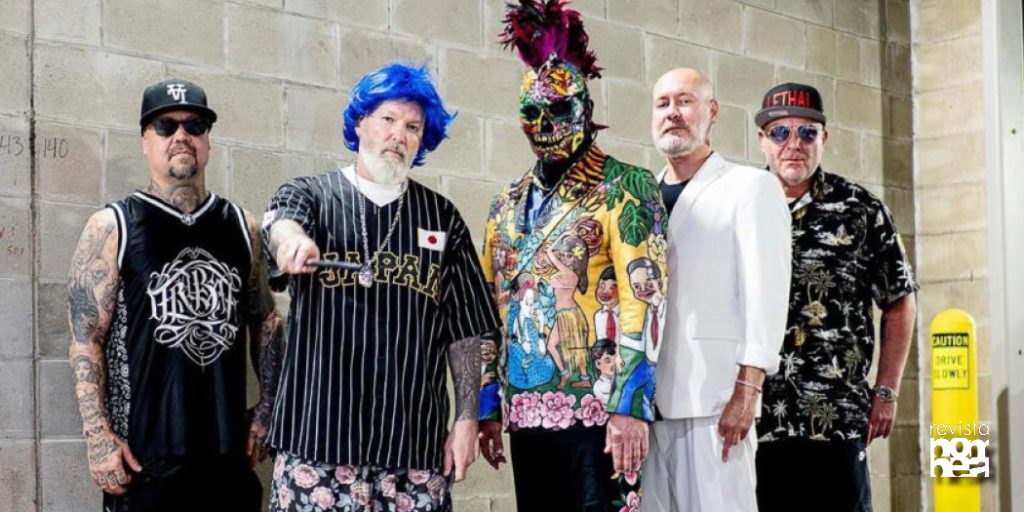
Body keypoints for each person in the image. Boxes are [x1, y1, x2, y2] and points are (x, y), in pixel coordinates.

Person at [260, 63, 500, 511]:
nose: (398, 135)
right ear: (359, 122)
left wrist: (467, 418)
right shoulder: (311, 195)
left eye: (413, 127)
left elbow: (467, 330)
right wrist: (291, 241)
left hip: (412, 449)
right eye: (388, 119)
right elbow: (282, 223)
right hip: (317, 443)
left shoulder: (443, 219)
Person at [477, 2, 668, 510]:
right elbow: (487, 306)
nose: (544, 124)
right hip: (526, 411)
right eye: (531, 112)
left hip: (601, 413)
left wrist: (630, 405)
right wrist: (487, 404)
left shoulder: (626, 185)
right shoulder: (505, 201)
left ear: (585, 108)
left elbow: (645, 299)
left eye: (559, 110)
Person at [67, 79, 278, 512]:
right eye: (166, 126)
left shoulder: (243, 227)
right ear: (145, 140)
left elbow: (266, 322)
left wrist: (268, 407)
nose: (182, 136)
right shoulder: (113, 226)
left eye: (195, 126)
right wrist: (97, 436)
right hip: (144, 461)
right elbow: (86, 339)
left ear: (208, 141)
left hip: (227, 457)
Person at [752, 83, 918, 512]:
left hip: (837, 418)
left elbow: (900, 299)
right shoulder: (739, 206)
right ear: (762, 140)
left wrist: (887, 391)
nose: (794, 144)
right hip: (755, 421)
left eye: (807, 133)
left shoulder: (860, 209)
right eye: (780, 132)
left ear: (823, 138)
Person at [640, 68, 792, 512]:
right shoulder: (641, 197)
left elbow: (767, 295)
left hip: (714, 401)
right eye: (663, 103)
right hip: (647, 404)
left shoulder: (750, 187)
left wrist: (748, 389)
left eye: (685, 101)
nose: (673, 112)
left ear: (712, 111)